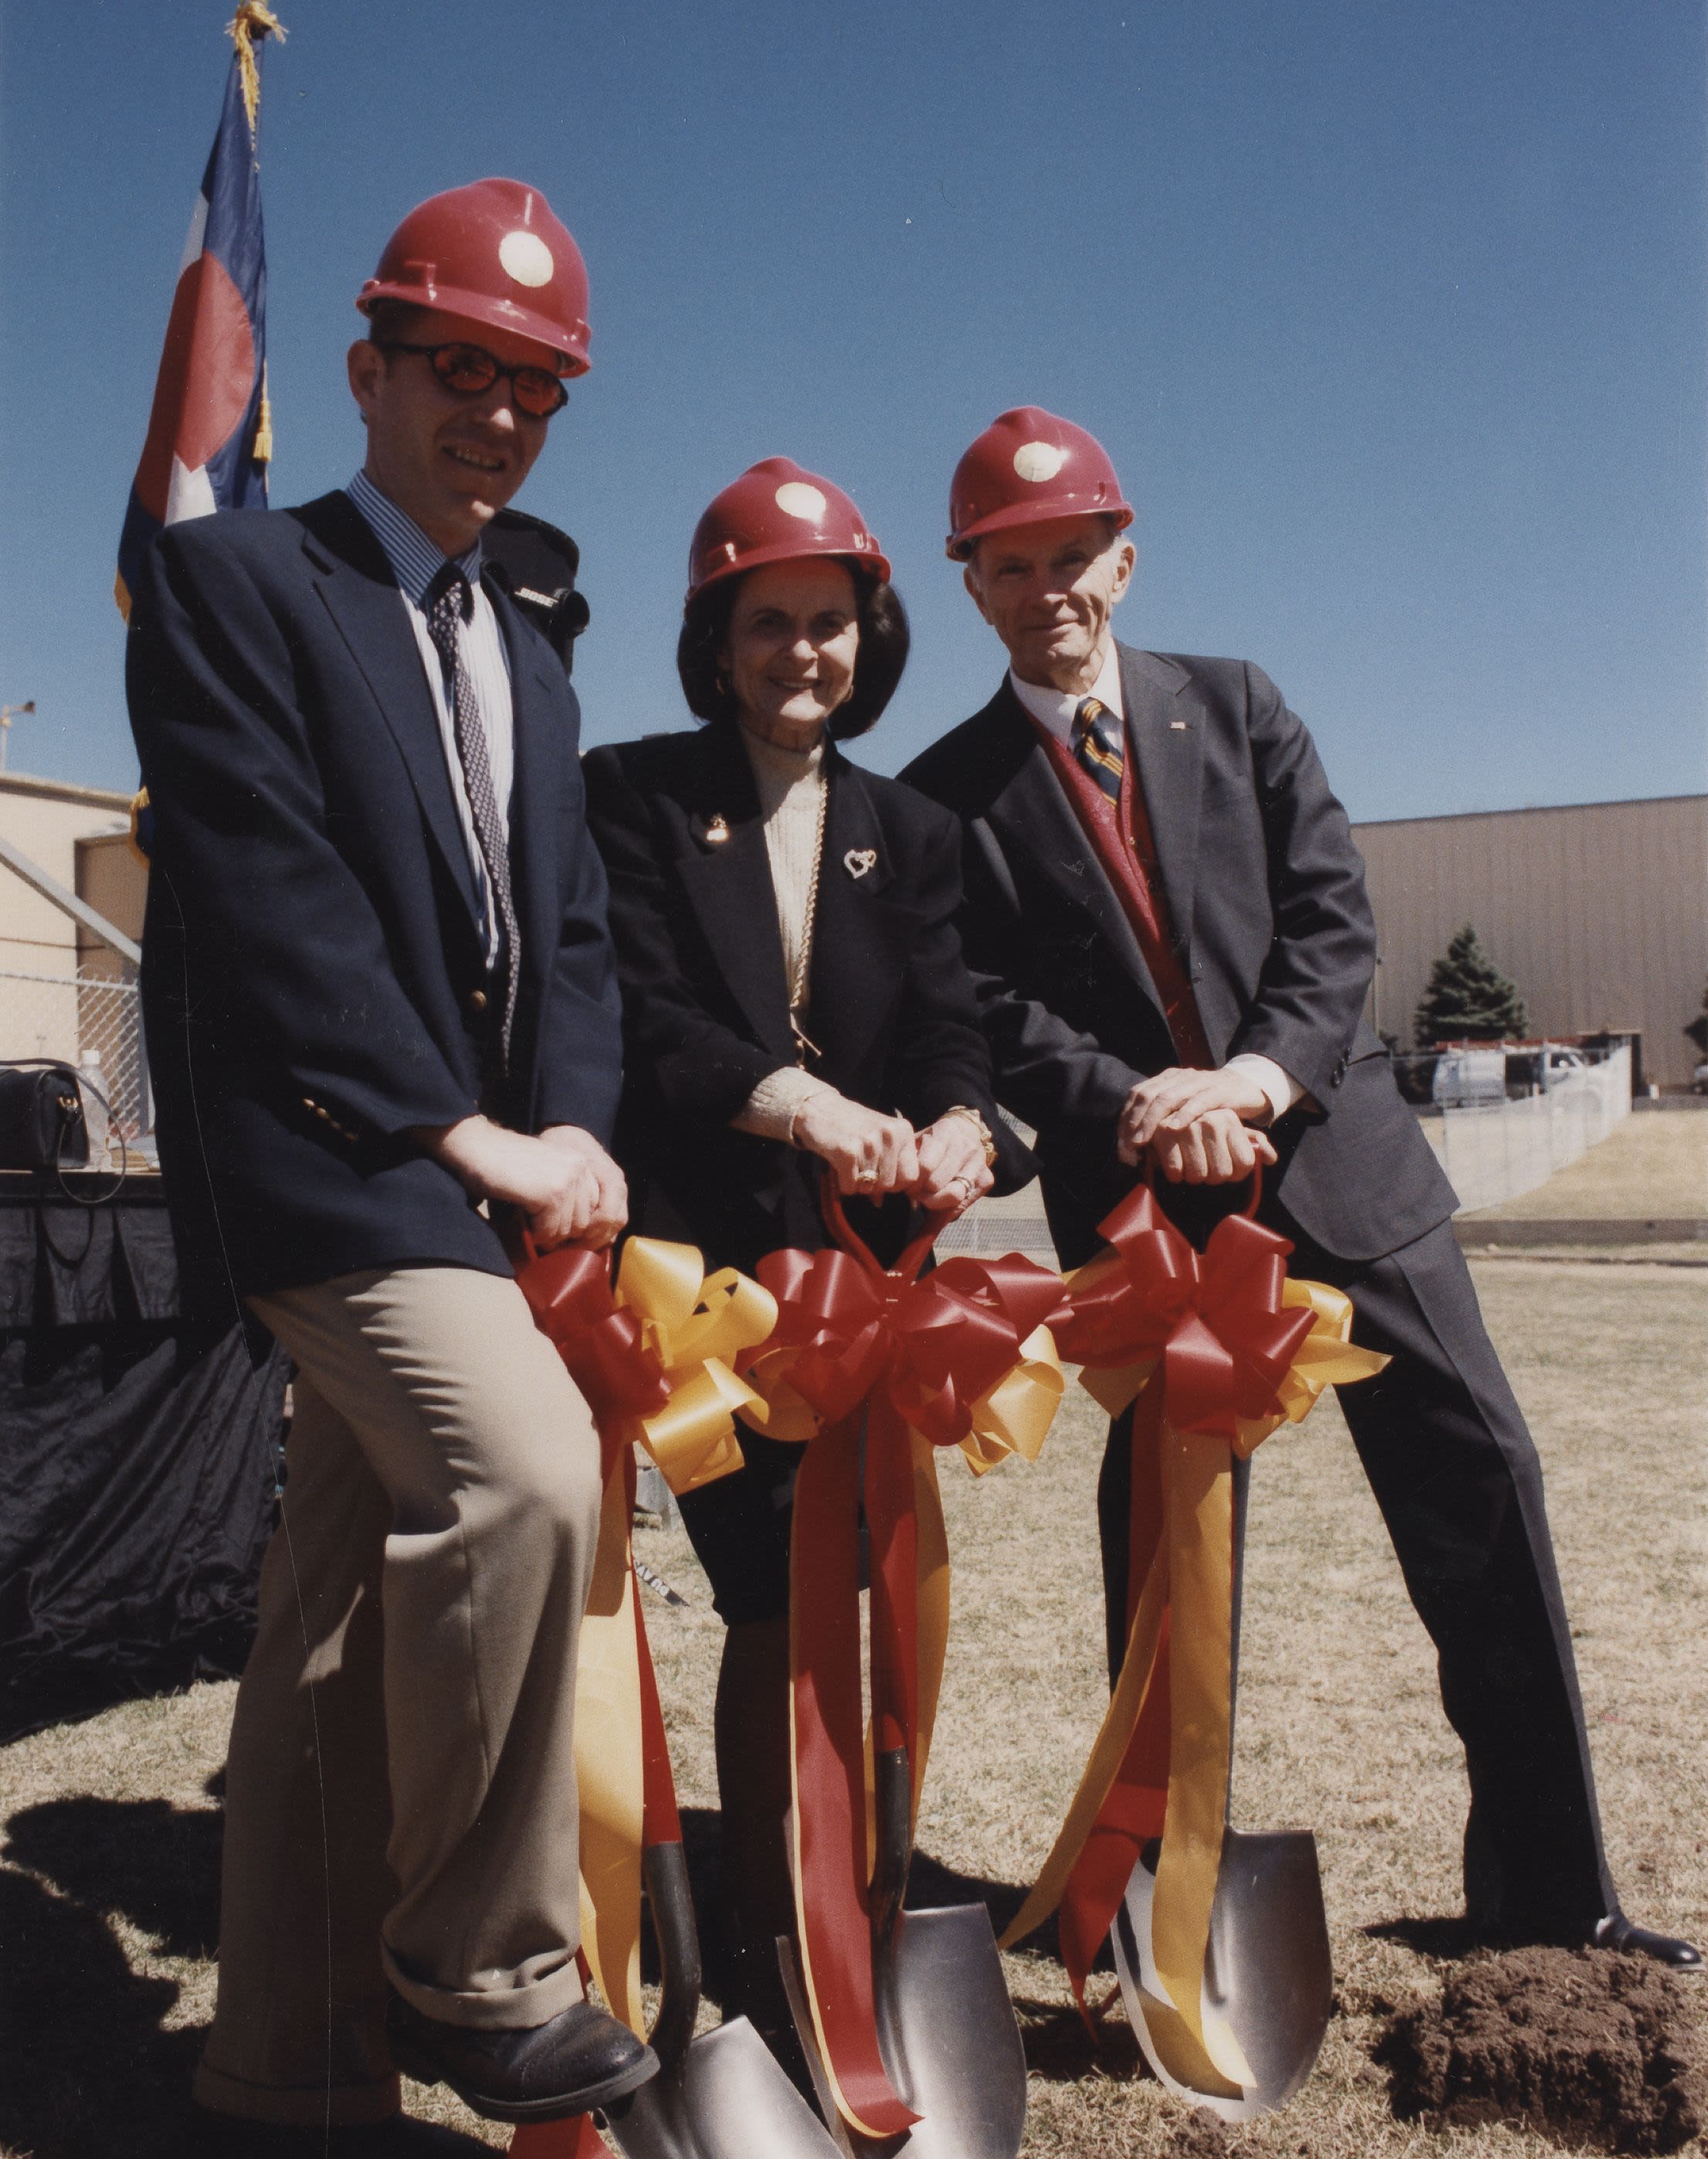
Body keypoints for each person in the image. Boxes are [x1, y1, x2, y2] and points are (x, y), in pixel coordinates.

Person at [903, 405, 1698, 1968]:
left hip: (1343, 1184)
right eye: (1011, 564)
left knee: (1483, 1505)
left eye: (1072, 554)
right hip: (1151, 1231)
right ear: (971, 586)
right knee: (1166, 1583)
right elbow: (985, 1008)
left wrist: (1252, 1083)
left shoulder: (1237, 706)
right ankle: (1152, 1913)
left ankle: (1551, 1900)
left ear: (1122, 561)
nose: (1047, 586)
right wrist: (1138, 1103)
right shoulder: (945, 797)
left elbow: (1330, 920)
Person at [126, 178, 663, 2133]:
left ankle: (279, 2062)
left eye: (537, 388)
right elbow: (272, 903)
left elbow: (573, 932)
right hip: (334, 1170)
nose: (497, 415)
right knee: (525, 1482)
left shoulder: (525, 650)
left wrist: (577, 1130)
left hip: (482, 1175)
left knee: (333, 1615)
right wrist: (468, 1140)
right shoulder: (235, 582)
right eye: (459, 368)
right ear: (364, 369)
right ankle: (482, 1969)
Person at [583, 456, 1018, 2045]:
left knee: (883, 1597)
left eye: (828, 624)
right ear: (715, 639)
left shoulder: (908, 830)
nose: (800, 655)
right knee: (771, 1596)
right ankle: (776, 1926)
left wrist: (962, 1126)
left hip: (871, 1291)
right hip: (706, 1287)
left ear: (869, 637)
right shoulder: (627, 793)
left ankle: (872, 1905)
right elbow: (642, 1016)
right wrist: (804, 1109)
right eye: (767, 623)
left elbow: (954, 1022)